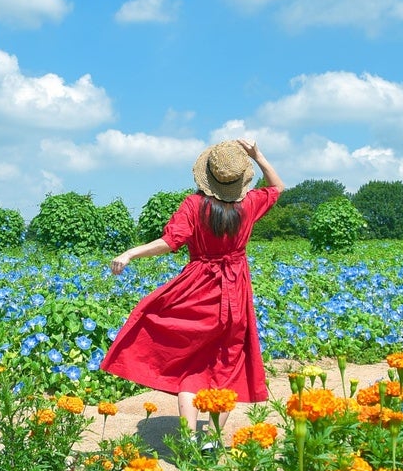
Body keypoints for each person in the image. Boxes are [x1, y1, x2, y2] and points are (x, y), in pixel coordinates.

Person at [103, 138, 284, 433]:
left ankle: (187, 438)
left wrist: (131, 252)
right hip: (234, 290)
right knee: (228, 363)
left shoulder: (194, 205)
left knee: (193, 364)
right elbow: (277, 188)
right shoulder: (249, 204)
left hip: (197, 289)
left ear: (208, 177)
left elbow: (169, 241)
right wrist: (259, 155)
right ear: (239, 181)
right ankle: (211, 438)